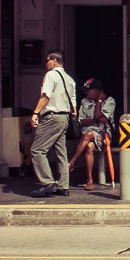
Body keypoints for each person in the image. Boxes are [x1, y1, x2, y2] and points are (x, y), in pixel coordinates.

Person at [28, 50, 76, 197]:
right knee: (61, 153)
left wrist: (35, 113)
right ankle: (63, 186)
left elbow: (46, 96)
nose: (46, 63)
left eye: (47, 60)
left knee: (37, 150)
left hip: (52, 117)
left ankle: (47, 182)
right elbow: (73, 105)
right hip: (65, 118)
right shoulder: (69, 79)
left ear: (54, 60)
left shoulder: (51, 75)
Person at [70, 78, 116, 191]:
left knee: (89, 134)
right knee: (89, 146)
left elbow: (103, 119)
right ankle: (89, 180)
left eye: (87, 90)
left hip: (104, 135)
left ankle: (72, 162)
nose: (85, 93)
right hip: (87, 136)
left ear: (96, 91)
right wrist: (96, 119)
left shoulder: (109, 101)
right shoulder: (85, 101)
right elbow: (81, 121)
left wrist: (99, 102)